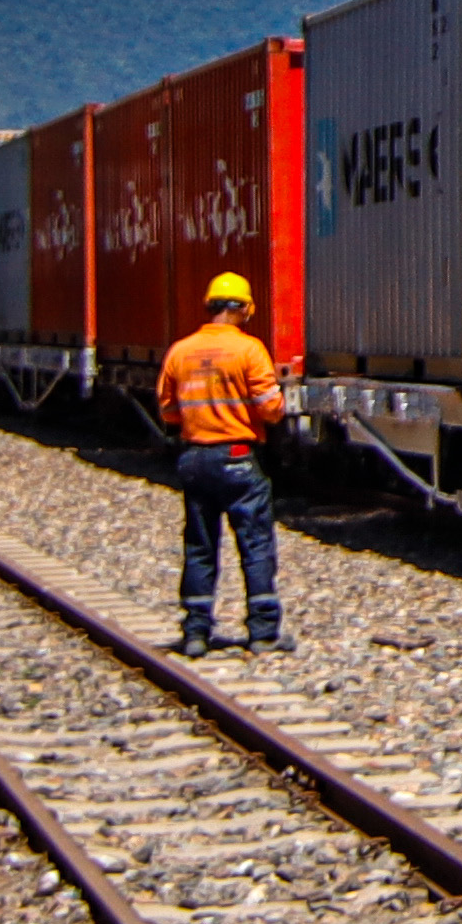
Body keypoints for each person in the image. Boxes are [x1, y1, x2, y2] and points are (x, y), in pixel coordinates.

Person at [156, 271, 288, 658]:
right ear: (244, 309)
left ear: (209, 307)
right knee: (255, 543)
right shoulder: (249, 350)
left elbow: (168, 411)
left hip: (195, 457)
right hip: (237, 457)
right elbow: (271, 409)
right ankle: (262, 632)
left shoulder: (180, 351)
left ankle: (196, 631)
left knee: (200, 545)